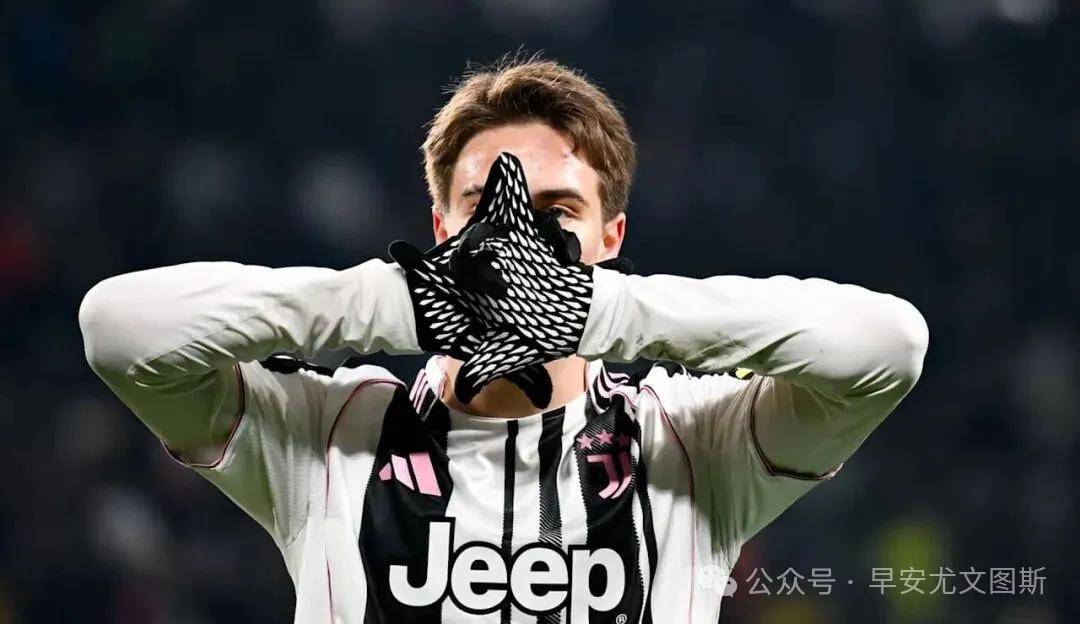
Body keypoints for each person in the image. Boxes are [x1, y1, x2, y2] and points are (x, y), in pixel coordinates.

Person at [78, 57, 929, 623]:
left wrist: (601, 313)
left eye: (558, 213)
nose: (516, 242)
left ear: (611, 239)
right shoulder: (326, 436)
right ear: (440, 227)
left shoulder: (693, 444)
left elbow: (889, 347)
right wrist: (395, 304)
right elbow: (120, 329)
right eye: (484, 209)